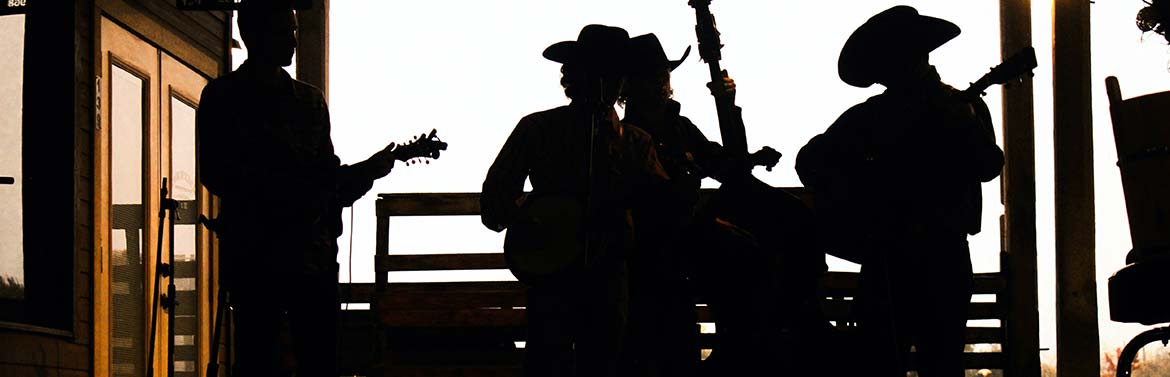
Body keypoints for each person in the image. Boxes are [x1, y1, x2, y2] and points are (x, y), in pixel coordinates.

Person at [795, 6, 1004, 376]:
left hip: (930, 258)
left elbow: (989, 166)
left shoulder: (961, 107)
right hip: (897, 260)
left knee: (928, 363)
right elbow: (811, 162)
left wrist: (967, 126)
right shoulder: (871, 117)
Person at [197, 1, 401, 375]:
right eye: (286, 31)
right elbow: (216, 173)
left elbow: (327, 180)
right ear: (255, 35)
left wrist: (367, 173)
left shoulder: (306, 101)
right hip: (261, 256)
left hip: (306, 257)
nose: (294, 39)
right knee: (261, 357)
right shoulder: (225, 98)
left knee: (316, 357)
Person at [480, 24, 668, 377]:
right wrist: (531, 227)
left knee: (601, 360)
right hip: (554, 274)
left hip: (606, 273)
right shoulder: (539, 128)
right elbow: (495, 200)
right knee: (550, 360)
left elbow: (659, 211)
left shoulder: (635, 141)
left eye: (610, 73)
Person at [618, 33, 794, 377]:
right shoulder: (623, 136)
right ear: (631, 88)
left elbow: (722, 164)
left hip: (678, 243)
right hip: (647, 246)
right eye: (651, 77)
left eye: (661, 76)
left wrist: (741, 134)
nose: (660, 84)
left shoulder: (679, 128)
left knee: (745, 258)